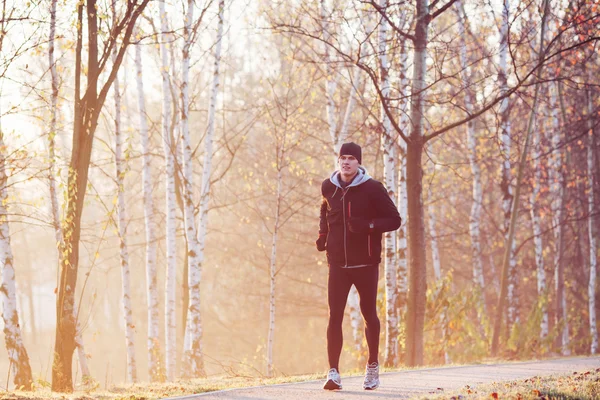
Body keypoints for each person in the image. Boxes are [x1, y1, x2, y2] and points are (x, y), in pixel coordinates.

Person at [316, 142, 401, 391]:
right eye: (343, 157)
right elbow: (324, 209)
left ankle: (372, 367)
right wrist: (323, 235)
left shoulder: (372, 188)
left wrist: (368, 226)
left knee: (368, 314)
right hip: (338, 264)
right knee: (334, 317)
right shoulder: (328, 186)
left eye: (352, 158)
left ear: (358, 163)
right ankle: (333, 373)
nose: (346, 162)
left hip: (365, 263)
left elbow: (394, 219)